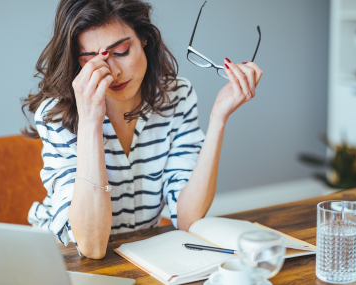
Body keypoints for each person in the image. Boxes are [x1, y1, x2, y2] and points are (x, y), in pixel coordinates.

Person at [22, 0, 262, 259]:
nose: (111, 72)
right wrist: (91, 121)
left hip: (137, 253)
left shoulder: (176, 97)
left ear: (144, 39)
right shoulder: (56, 115)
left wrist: (218, 119)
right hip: (60, 258)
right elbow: (90, 246)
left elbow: (188, 219)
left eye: (122, 51)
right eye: (90, 60)